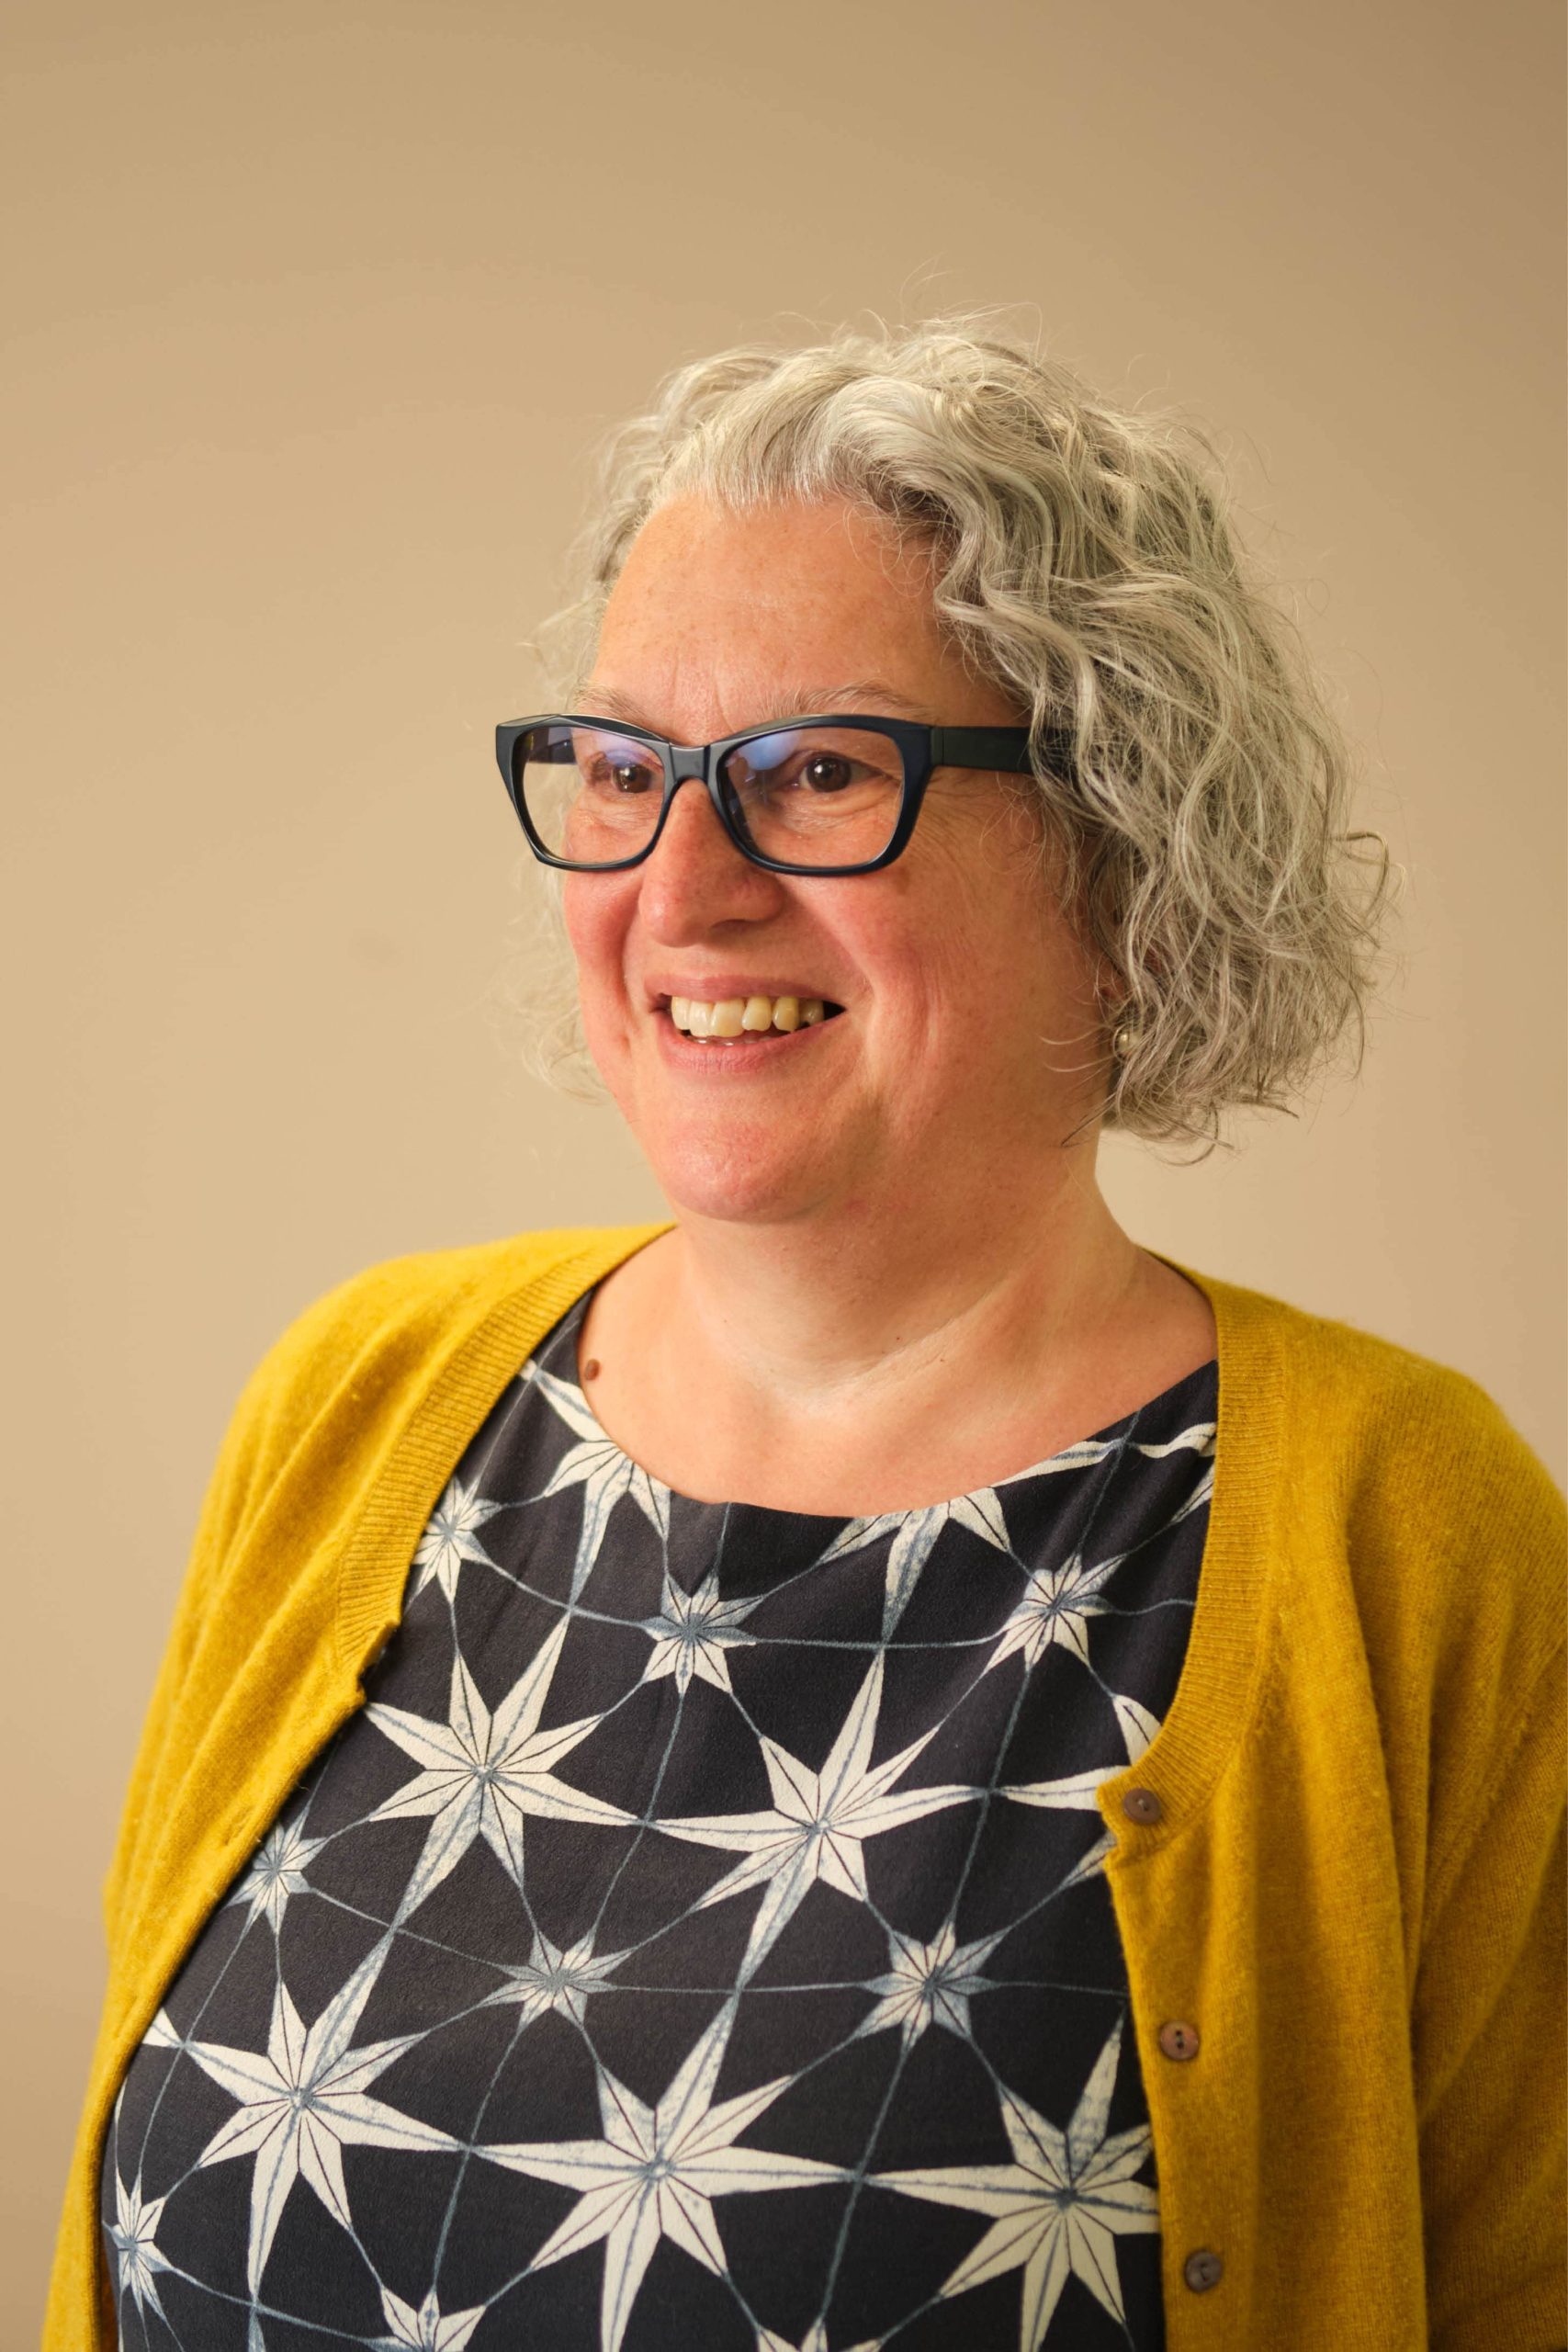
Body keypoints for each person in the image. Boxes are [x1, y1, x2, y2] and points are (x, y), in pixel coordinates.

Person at [48, 319, 1564, 2352]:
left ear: (1114, 847)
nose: (681, 886)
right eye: (621, 767)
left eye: (817, 771)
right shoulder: (357, 1403)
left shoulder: (1400, 1531)